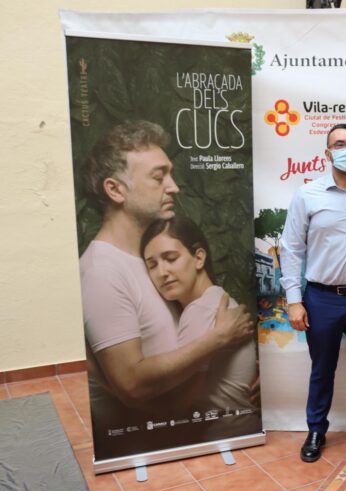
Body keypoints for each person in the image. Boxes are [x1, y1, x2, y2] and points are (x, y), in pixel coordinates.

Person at [80, 121, 254, 458]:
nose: (173, 187)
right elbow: (132, 384)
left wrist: (237, 377)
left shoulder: (145, 257)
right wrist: (219, 340)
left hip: (185, 440)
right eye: (159, 177)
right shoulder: (102, 271)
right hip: (143, 450)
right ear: (116, 190)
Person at [280, 123, 346, 464]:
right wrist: (294, 300)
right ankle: (316, 430)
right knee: (321, 368)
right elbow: (291, 248)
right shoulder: (307, 194)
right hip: (321, 298)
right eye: (339, 144)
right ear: (327, 153)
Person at [140, 216, 260, 439]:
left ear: (198, 258)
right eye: (152, 264)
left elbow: (178, 405)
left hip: (223, 435)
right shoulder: (216, 299)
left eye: (171, 258)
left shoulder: (202, 309)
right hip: (236, 431)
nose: (161, 272)